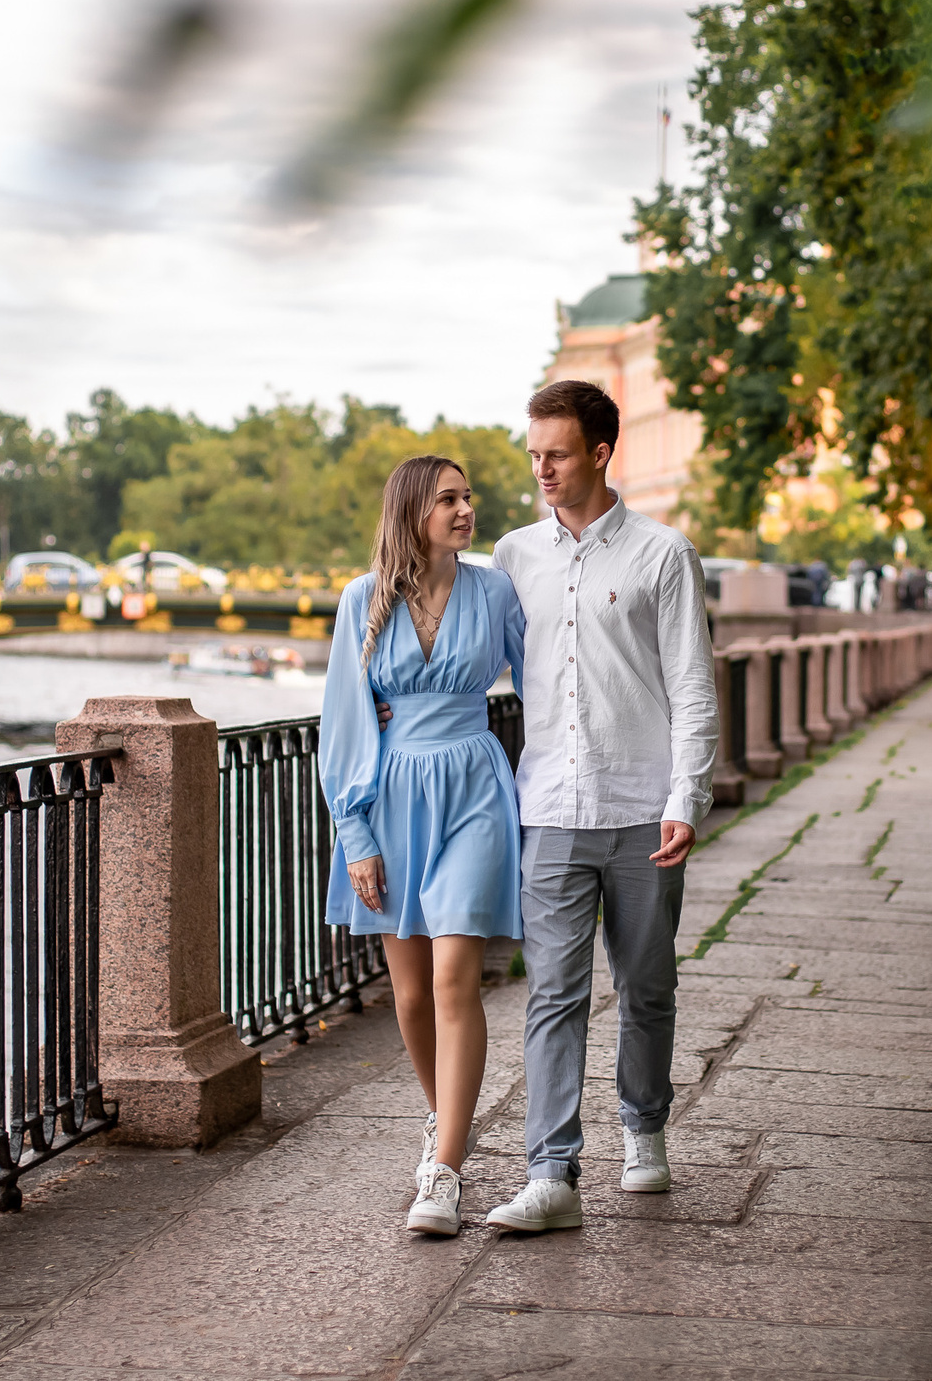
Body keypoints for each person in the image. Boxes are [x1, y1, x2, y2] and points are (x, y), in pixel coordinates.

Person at [483, 379, 720, 1234]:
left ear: (599, 452)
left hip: (640, 806)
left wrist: (686, 796)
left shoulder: (663, 555)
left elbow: (693, 688)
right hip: (547, 804)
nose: (540, 467)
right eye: (533, 453)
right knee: (552, 993)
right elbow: (477, 659)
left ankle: (644, 1126)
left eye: (555, 452)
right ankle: (552, 1172)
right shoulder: (512, 557)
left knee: (648, 983)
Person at [319, 454, 528, 1237]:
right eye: (448, 498)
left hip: (475, 784)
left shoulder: (495, 588)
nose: (465, 508)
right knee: (407, 996)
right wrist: (355, 832)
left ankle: (442, 1171)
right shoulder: (359, 600)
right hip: (394, 795)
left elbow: (540, 682)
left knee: (451, 978)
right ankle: (450, 1121)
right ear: (413, 510)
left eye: (468, 496)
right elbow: (344, 719)